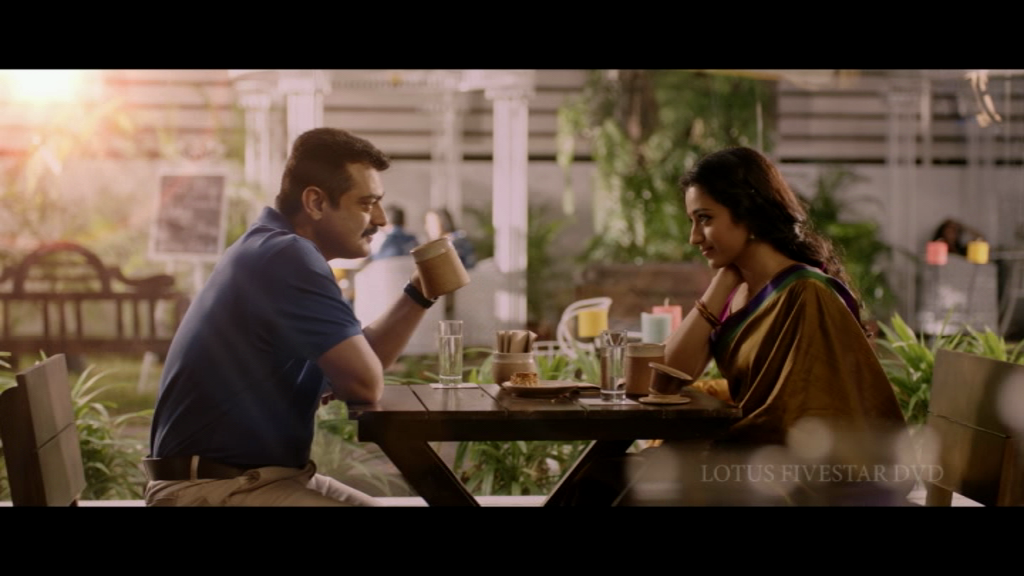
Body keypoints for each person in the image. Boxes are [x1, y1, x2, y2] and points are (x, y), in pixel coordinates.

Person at [566, 147, 908, 506]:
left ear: (749, 213)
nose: (694, 237)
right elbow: (666, 377)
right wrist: (720, 287)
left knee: (608, 483)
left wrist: (714, 448)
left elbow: (806, 419)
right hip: (744, 451)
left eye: (705, 219)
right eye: (692, 221)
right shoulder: (738, 289)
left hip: (792, 473)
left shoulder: (806, 293)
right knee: (600, 478)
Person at [144, 128, 447, 506]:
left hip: (255, 478)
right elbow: (364, 384)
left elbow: (360, 364)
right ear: (316, 202)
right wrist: (358, 374)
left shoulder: (275, 248)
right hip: (214, 488)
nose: (381, 219)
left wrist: (421, 291)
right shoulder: (287, 256)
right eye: (367, 203)